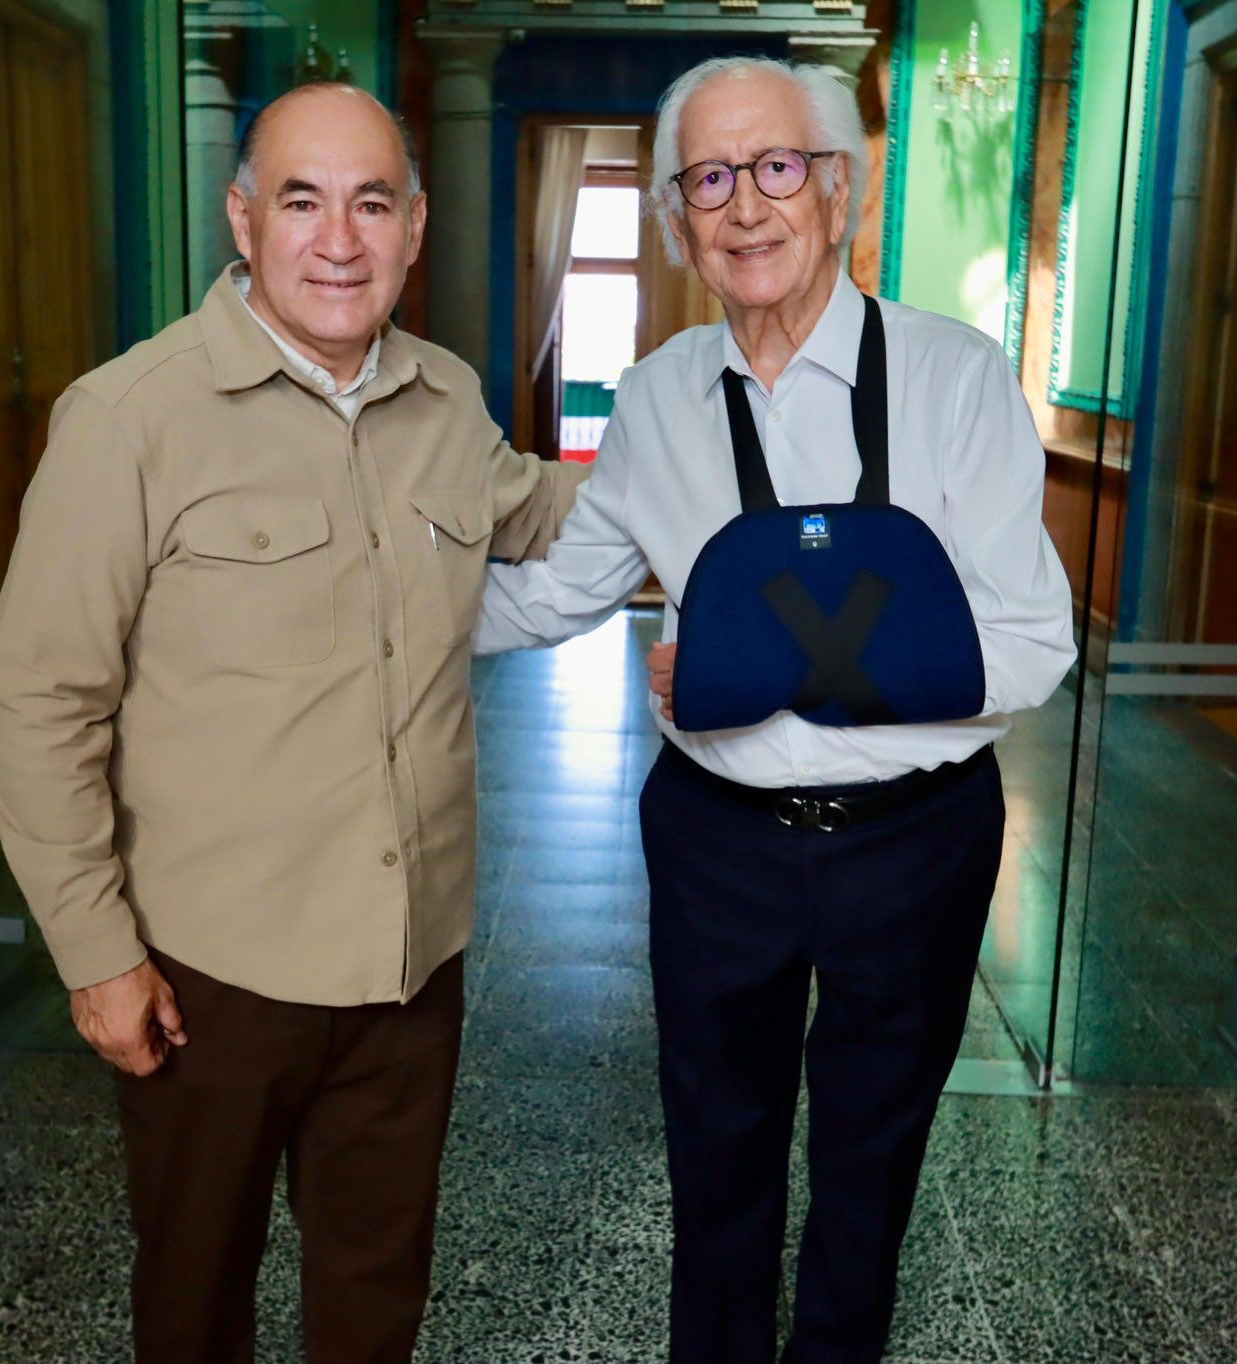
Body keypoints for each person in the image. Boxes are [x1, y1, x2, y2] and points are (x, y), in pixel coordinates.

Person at [474, 57, 1075, 1364]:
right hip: (718, 842)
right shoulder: (655, 397)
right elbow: (561, 589)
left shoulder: (956, 377)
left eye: (777, 167)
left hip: (914, 842)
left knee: (871, 1165)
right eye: (707, 179)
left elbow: (1033, 643)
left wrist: (760, 665)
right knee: (714, 1158)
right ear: (676, 222)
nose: (744, 205)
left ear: (837, 191)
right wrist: (366, 612)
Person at [0, 82, 586, 1364]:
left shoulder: (445, 399)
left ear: (415, 224)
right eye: (302, 202)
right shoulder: (129, 419)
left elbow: (545, 514)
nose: (339, 241)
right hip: (212, 975)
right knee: (194, 1296)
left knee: (375, 1295)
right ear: (242, 219)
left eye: (371, 203)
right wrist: (96, 955)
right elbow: (38, 706)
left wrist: (727, 473)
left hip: (409, 963)